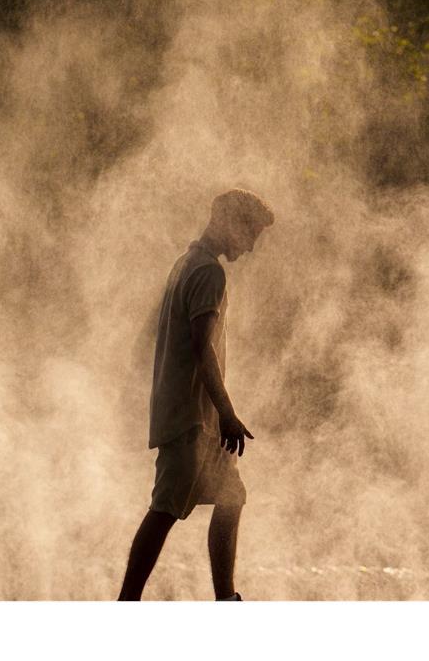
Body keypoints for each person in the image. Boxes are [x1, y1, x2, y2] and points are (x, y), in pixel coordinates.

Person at [118, 188, 275, 601]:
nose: (251, 246)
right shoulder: (208, 273)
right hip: (193, 418)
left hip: (194, 416)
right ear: (230, 223)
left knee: (230, 497)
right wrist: (227, 412)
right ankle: (126, 602)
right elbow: (201, 345)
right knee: (165, 509)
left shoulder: (185, 265)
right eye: (251, 234)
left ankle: (226, 598)